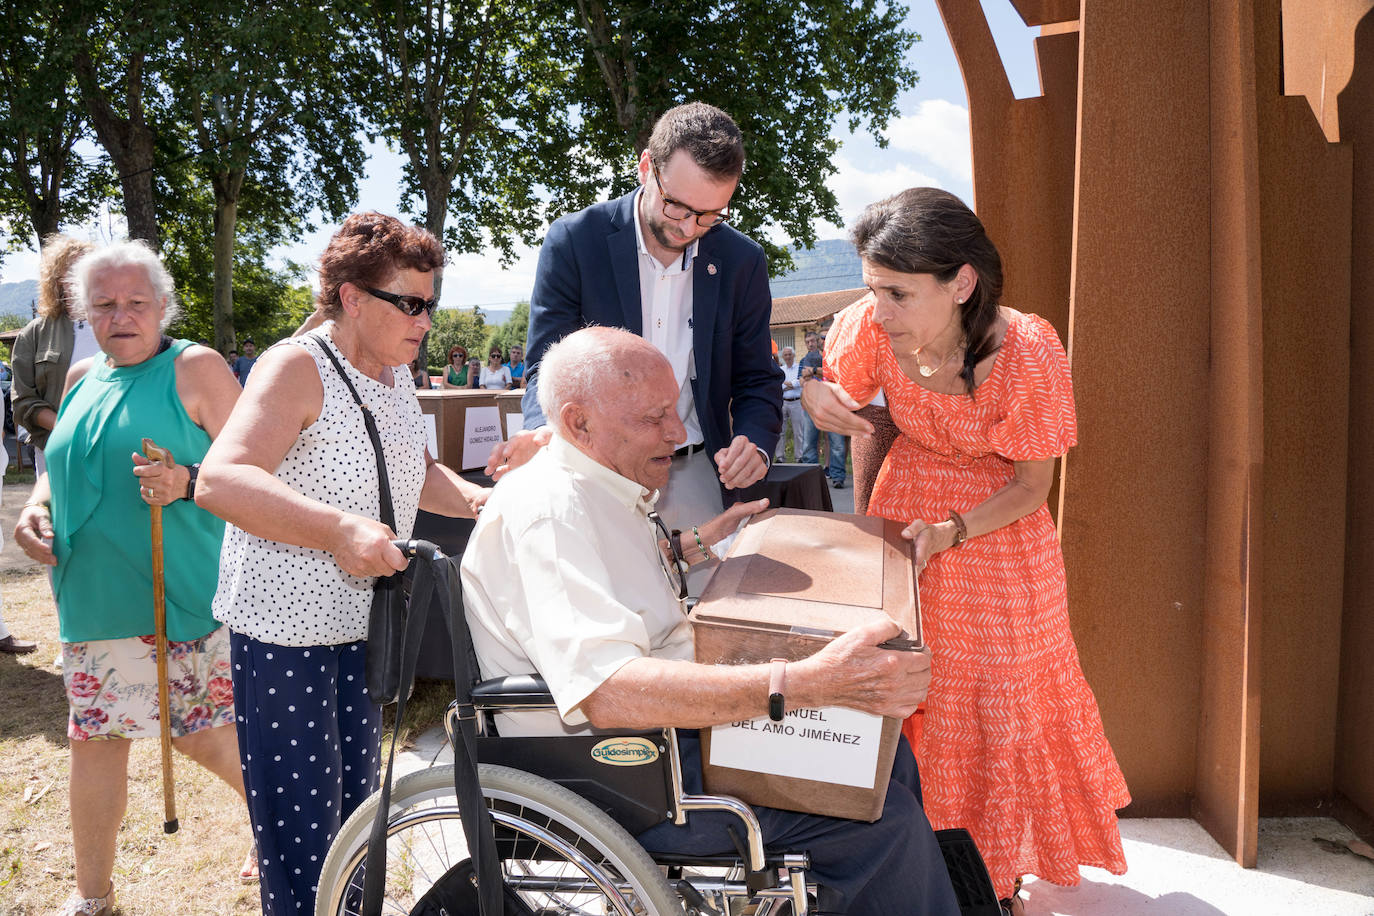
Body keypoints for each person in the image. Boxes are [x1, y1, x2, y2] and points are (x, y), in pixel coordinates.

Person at [462, 327, 959, 915]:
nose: (677, 432)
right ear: (579, 424)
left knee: (881, 754)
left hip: (667, 743)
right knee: (884, 824)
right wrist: (806, 683)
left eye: (675, 410)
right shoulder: (551, 512)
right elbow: (608, 691)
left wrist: (691, 547)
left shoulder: (597, 489)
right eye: (654, 417)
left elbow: (614, 592)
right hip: (624, 775)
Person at [801, 188, 1129, 911]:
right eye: (870, 288)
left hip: (998, 538)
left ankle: (995, 880)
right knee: (903, 694)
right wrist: (816, 397)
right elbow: (833, 388)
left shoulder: (1029, 349)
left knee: (992, 709)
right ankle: (913, 864)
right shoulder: (869, 326)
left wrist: (951, 531)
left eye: (898, 293)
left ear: (962, 284)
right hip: (901, 519)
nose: (878, 310)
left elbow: (1032, 486)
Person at [196, 211, 488, 916]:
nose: (424, 321)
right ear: (353, 297)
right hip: (284, 635)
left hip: (359, 628)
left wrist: (489, 502)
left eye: (430, 304)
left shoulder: (393, 376)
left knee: (355, 820)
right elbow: (220, 480)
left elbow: (414, 471)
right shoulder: (296, 365)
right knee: (302, 831)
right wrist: (334, 531)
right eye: (410, 304)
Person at [11, 240, 254, 916]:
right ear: (85, 312)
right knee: (93, 739)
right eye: (106, 304)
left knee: (200, 732)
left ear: (162, 307)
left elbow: (255, 477)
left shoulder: (197, 369)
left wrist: (184, 482)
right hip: (91, 596)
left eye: (136, 303)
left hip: (177, 589)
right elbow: (59, 473)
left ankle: (289, 833)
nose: (121, 315)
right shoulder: (83, 375)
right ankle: (93, 898)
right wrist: (35, 510)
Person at [493, 101, 782, 535]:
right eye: (677, 207)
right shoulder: (575, 241)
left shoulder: (742, 261)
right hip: (596, 473)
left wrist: (755, 442)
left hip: (696, 474)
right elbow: (543, 367)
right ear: (647, 168)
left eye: (709, 216)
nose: (688, 229)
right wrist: (543, 433)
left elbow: (757, 377)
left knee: (701, 600)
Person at [10, 235, 99, 476]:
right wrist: (67, 429)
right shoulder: (34, 334)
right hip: (57, 450)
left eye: (88, 268)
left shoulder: (118, 327)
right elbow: (23, 403)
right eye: (72, 269)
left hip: (113, 447)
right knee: (56, 513)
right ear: (57, 279)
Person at [774, 346, 807, 462]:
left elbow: (799, 382)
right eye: (786, 355)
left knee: (798, 431)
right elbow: (778, 385)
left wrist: (788, 385)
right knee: (780, 431)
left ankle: (799, 457)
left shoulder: (799, 367)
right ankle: (780, 457)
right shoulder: (781, 370)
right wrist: (792, 385)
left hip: (796, 402)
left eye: (790, 354)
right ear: (783, 357)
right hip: (783, 403)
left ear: (793, 355)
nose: (788, 357)